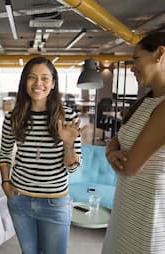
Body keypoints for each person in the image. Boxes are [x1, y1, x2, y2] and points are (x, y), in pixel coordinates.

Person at [0, 56, 84, 254]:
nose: (38, 83)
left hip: (55, 202)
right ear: (24, 82)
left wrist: (68, 144)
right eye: (32, 77)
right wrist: (5, 183)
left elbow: (74, 167)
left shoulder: (68, 117)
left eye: (45, 78)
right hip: (20, 199)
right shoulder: (13, 117)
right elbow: (4, 154)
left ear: (53, 83)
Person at [102, 32, 165, 253]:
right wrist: (111, 152)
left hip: (148, 218)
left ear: (160, 54)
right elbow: (116, 141)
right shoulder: (146, 103)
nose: (131, 67)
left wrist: (113, 151)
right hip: (127, 208)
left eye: (136, 59)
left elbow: (129, 167)